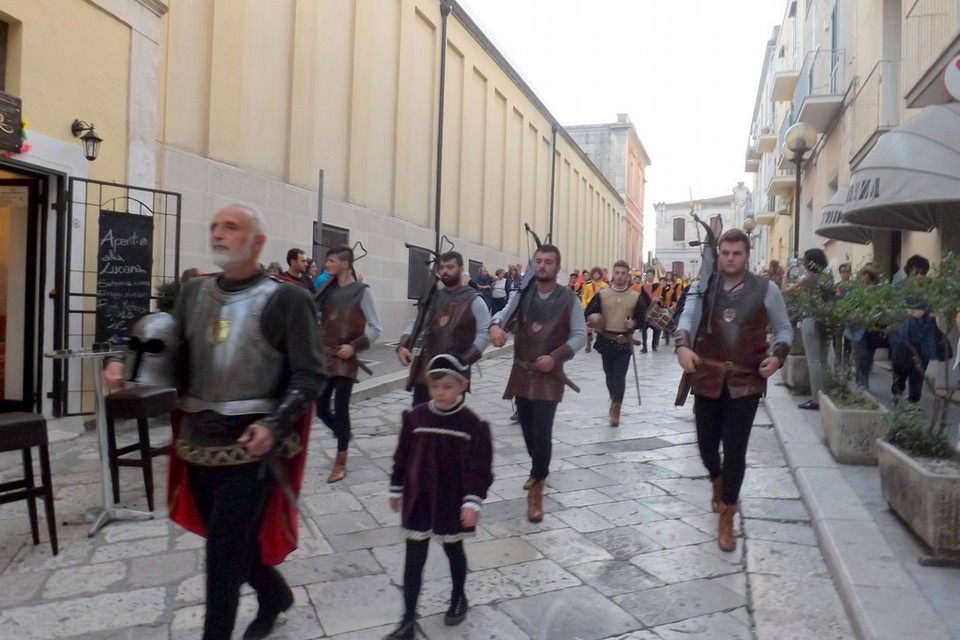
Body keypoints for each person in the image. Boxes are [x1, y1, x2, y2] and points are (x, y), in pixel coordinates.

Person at [105, 204, 324, 640]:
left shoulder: (288, 298)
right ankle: (275, 594)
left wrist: (275, 425)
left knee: (223, 556)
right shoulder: (193, 293)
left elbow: (310, 374)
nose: (218, 234)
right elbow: (166, 339)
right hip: (196, 442)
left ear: (257, 241)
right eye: (214, 226)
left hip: (254, 447)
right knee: (228, 543)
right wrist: (120, 361)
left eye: (231, 227)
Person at [674, 228, 792, 552]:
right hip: (707, 377)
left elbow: (783, 329)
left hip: (745, 382)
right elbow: (685, 321)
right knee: (706, 446)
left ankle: (728, 513)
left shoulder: (766, 289)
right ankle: (716, 478)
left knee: (736, 449)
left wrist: (778, 357)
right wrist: (682, 347)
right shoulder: (703, 286)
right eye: (725, 252)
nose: (729, 258)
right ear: (719, 253)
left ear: (746, 255)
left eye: (736, 253)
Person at [384, 353, 494, 639]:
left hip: (452, 499)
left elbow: (480, 468)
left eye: (447, 386)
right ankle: (408, 618)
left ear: (462, 386)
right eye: (434, 387)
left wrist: (472, 501)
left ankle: (459, 596)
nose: (440, 392)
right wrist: (397, 487)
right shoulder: (416, 417)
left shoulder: (472, 425)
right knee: (413, 559)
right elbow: (402, 456)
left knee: (453, 549)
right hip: (418, 497)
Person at [489, 244, 586, 522]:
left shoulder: (569, 299)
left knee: (542, 430)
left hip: (549, 377)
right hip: (522, 372)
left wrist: (555, 357)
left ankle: (537, 485)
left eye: (548, 262)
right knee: (529, 431)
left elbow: (579, 335)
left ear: (558, 267)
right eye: (539, 261)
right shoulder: (523, 294)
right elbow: (503, 314)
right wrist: (495, 325)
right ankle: (538, 468)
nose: (542, 266)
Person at [316, 245, 382, 483]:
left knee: (341, 407)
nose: (327, 265)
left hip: (346, 358)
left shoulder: (362, 292)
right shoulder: (326, 290)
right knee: (321, 408)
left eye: (331, 261)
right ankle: (343, 432)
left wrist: (354, 346)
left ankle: (341, 460)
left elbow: (376, 328)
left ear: (344, 264)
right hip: (325, 357)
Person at [396, 251, 490, 407]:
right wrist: (403, 344)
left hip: (454, 374)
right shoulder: (433, 298)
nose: (445, 271)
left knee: (449, 423)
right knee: (420, 418)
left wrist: (463, 361)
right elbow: (417, 323)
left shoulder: (474, 299)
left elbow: (484, 333)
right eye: (442, 267)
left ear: (460, 269)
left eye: (450, 267)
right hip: (427, 369)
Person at [584, 260, 647, 426]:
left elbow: (642, 319)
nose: (619, 276)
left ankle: (616, 408)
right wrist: (595, 320)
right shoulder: (603, 294)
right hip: (606, 340)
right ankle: (614, 399)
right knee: (609, 374)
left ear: (628, 276)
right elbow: (589, 312)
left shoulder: (635, 297)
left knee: (619, 376)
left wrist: (634, 324)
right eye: (617, 273)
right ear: (613, 274)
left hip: (624, 342)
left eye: (623, 273)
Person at [782, 248, 833, 410]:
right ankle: (826, 395)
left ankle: (816, 400)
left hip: (810, 320)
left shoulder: (808, 280)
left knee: (813, 361)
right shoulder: (828, 278)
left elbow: (786, 291)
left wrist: (785, 273)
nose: (802, 262)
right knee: (824, 361)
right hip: (826, 319)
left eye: (804, 260)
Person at [889, 254, 937, 406]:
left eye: (923, 273)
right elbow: (892, 308)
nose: (920, 276)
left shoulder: (929, 289)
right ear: (910, 271)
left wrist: (932, 312)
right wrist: (910, 312)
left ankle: (914, 401)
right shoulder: (899, 287)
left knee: (920, 367)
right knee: (900, 365)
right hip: (903, 334)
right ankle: (897, 393)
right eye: (918, 272)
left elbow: (934, 308)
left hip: (924, 334)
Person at [579, 266, 608, 352]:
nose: (596, 275)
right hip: (589, 306)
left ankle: (600, 340)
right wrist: (583, 305)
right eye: (594, 273)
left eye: (597, 273)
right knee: (588, 325)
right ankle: (588, 345)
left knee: (599, 325)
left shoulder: (604, 285)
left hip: (600, 307)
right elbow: (584, 296)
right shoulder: (587, 286)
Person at [639, 269, 663, 353]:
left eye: (650, 275)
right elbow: (641, 298)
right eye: (648, 275)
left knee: (656, 329)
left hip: (655, 310)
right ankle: (644, 347)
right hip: (646, 310)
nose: (649, 276)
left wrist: (658, 299)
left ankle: (654, 345)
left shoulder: (658, 286)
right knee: (644, 329)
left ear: (653, 276)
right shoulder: (643, 287)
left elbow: (661, 297)